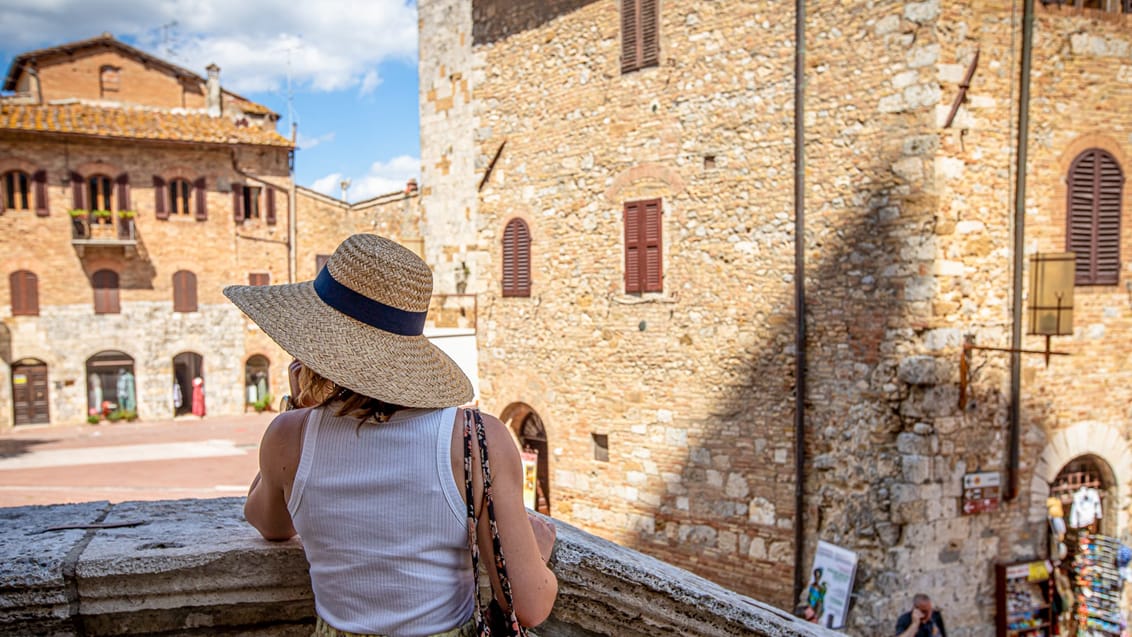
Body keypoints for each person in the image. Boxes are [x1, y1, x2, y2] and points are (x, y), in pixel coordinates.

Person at [226, 234, 558, 636]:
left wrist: (296, 409)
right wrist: (535, 550)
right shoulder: (477, 440)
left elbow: (269, 523)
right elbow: (530, 605)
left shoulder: (289, 435)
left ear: (313, 344)